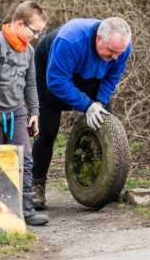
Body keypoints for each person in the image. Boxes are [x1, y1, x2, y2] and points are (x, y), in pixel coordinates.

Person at [31, 17, 132, 210]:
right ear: (98, 39)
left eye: (119, 53)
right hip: (51, 73)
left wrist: (99, 102)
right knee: (48, 131)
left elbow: (112, 77)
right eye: (111, 52)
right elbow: (56, 81)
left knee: (105, 124)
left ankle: (105, 186)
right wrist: (86, 105)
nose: (115, 57)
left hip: (89, 75)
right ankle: (36, 184)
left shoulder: (120, 48)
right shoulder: (70, 41)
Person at [0, 1, 50, 226]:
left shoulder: (29, 51)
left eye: (39, 33)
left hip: (18, 113)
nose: (35, 36)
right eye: (34, 31)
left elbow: (31, 84)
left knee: (24, 160)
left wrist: (34, 112)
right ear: (19, 23)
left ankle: (27, 210)